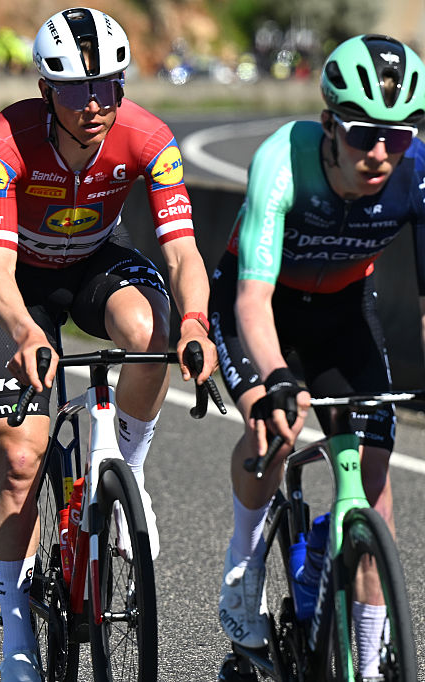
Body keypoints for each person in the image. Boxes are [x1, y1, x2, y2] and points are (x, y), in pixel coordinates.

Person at [0, 8, 217, 680]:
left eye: (108, 85)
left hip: (94, 263)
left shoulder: (148, 136)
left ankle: (127, 472)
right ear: (47, 90)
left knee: (151, 332)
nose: (95, 105)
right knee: (21, 462)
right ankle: (17, 629)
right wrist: (24, 333)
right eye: (77, 89)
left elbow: (183, 251)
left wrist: (195, 319)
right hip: (18, 283)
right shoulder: (6, 139)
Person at [209, 35, 425, 679]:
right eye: (363, 133)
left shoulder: (415, 171)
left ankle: (364, 652)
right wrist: (274, 380)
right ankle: (243, 571)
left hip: (341, 313)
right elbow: (251, 298)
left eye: (401, 135)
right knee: (271, 429)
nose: (381, 152)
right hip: (259, 304)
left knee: (374, 489)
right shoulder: (284, 159)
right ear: (330, 123)